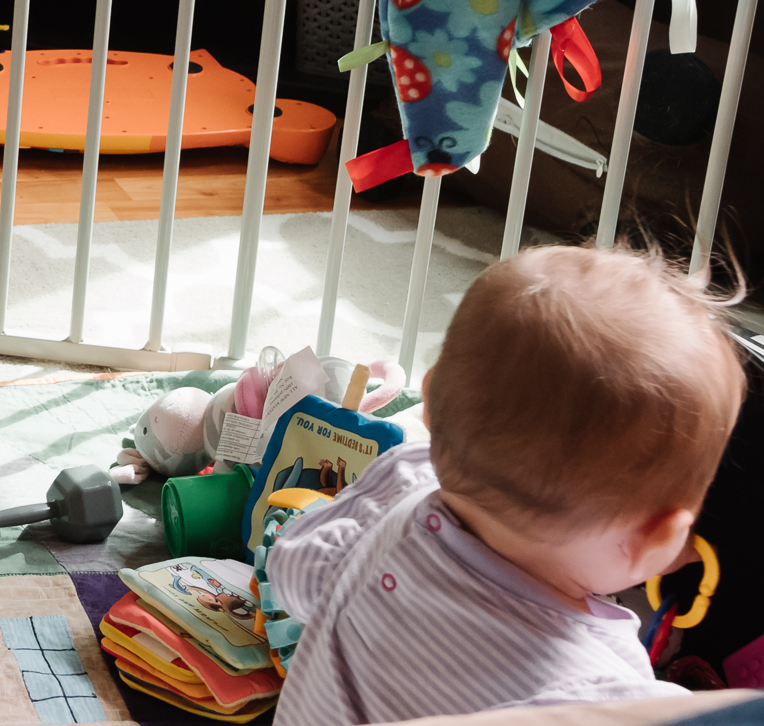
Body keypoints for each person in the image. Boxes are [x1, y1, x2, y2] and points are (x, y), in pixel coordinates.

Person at [271, 246, 747, 725]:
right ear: (659, 539)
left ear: (429, 402)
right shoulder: (601, 696)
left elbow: (293, 571)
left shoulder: (401, 487)